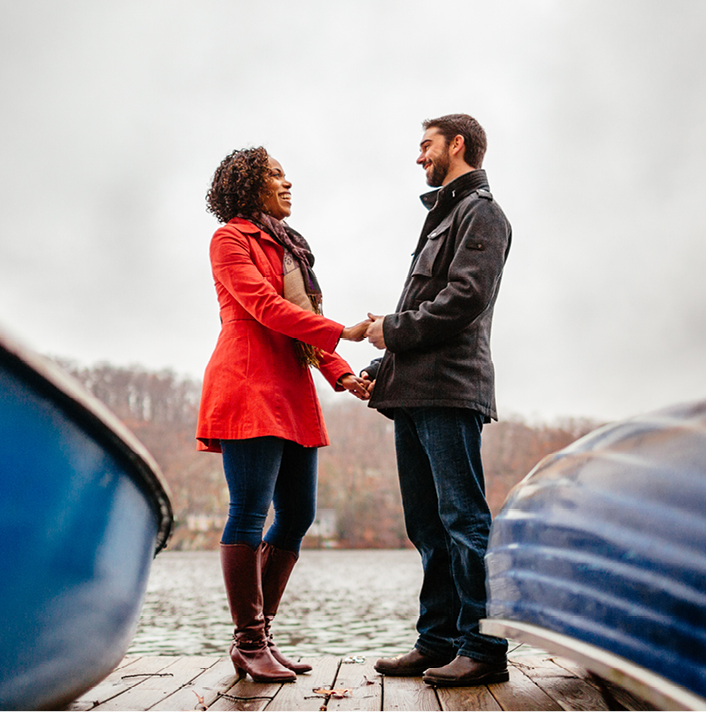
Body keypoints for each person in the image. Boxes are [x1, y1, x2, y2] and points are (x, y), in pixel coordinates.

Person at [196, 147, 370, 683]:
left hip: (291, 390)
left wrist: (343, 374)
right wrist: (341, 331)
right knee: (248, 511)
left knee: (298, 515)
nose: (287, 181)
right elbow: (268, 310)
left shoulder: (289, 245)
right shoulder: (229, 239)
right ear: (251, 186)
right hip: (248, 385)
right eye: (275, 175)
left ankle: (261, 635)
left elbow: (303, 320)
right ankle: (249, 642)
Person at [361, 114, 512, 686]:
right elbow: (425, 307)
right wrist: (380, 366)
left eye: (425, 144)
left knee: (464, 522)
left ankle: (484, 649)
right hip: (415, 393)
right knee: (426, 525)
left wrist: (391, 331)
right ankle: (438, 641)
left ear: (457, 144)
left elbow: (464, 299)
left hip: (452, 392)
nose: (418, 155)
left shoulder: (483, 213)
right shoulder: (442, 216)